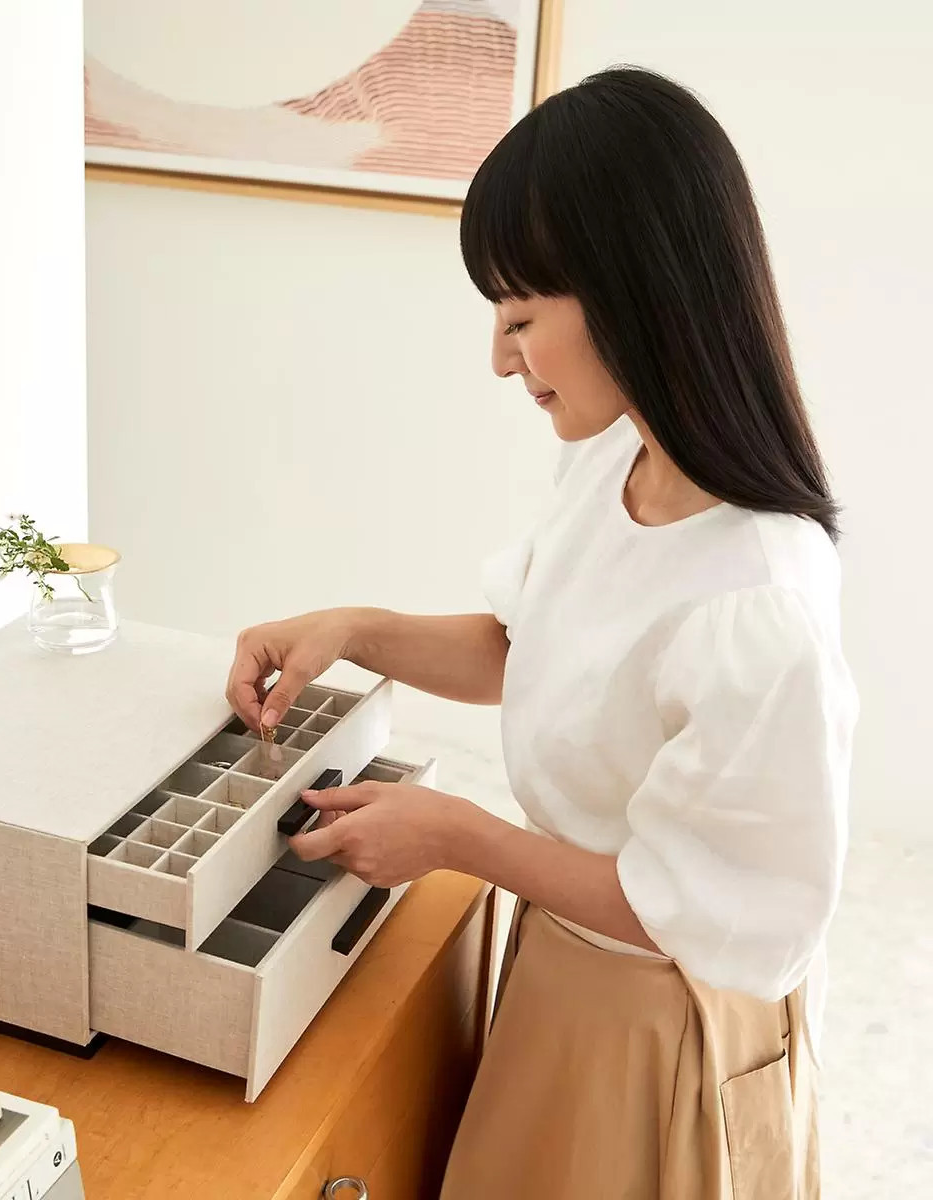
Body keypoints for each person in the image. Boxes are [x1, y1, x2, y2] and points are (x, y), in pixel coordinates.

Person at [225, 66, 856, 1199]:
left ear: (637, 293)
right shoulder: (615, 464)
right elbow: (531, 654)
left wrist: (460, 837)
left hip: (657, 1025)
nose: (501, 358)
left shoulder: (757, 600)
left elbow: (694, 910)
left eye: (521, 318)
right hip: (567, 961)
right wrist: (355, 627)